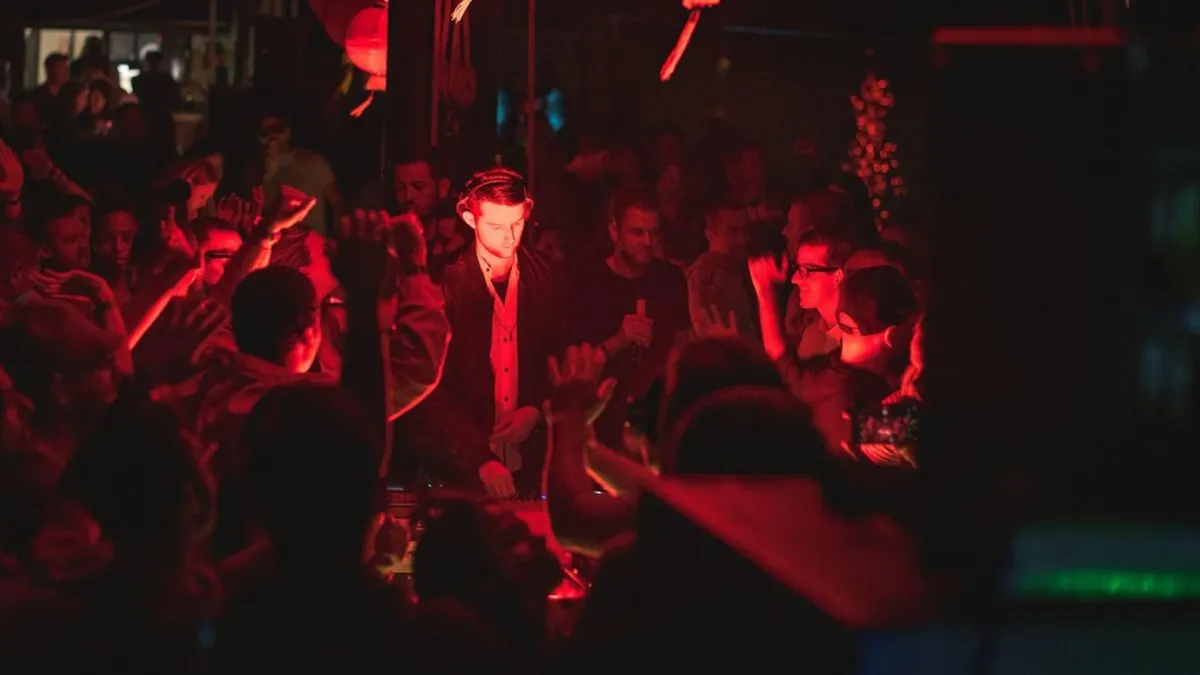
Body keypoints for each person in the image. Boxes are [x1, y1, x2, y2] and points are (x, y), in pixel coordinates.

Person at [416, 167, 566, 497]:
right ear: (470, 219)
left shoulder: (547, 278)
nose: (509, 236)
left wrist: (537, 407)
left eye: (517, 223)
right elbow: (430, 390)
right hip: (461, 473)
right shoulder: (443, 285)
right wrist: (478, 457)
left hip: (531, 466)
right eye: (496, 226)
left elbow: (562, 355)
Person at [569, 185, 690, 448]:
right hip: (602, 425)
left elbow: (682, 343)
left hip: (657, 422)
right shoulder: (587, 283)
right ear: (614, 231)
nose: (647, 241)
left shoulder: (670, 278)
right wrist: (618, 340)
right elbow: (574, 367)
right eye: (637, 232)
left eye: (653, 233)